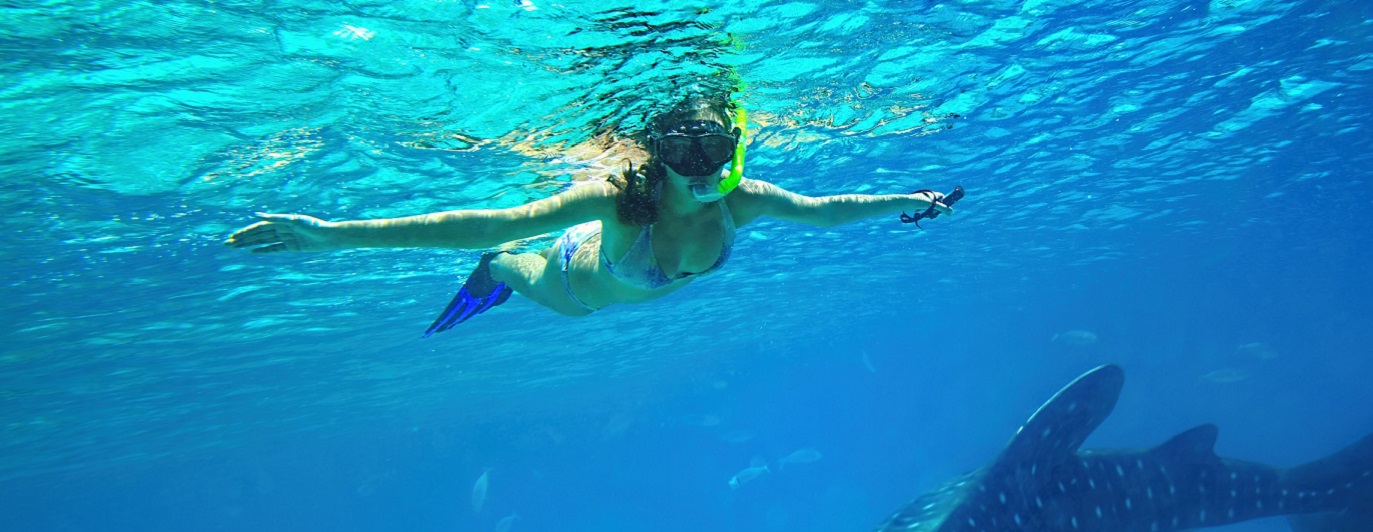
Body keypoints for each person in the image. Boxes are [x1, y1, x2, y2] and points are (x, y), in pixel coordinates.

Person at [225, 93, 962, 335]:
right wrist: (332, 237)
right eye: (683, 150)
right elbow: (486, 221)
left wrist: (909, 199)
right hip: (574, 279)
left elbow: (827, 211)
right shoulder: (618, 201)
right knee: (508, 263)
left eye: (716, 149)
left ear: (736, 146)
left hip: (624, 276)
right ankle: (496, 280)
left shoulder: (748, 198)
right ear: (659, 153)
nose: (702, 171)